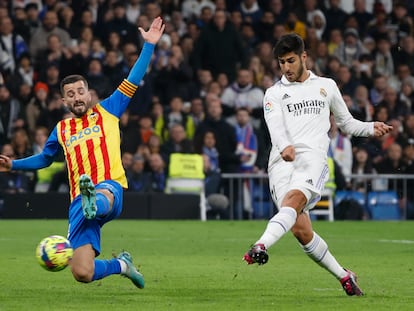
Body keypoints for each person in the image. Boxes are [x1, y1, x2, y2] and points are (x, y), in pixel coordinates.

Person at [0, 16, 165, 289]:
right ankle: (122, 264)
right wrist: (13, 165)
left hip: (108, 187)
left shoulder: (109, 110)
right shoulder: (61, 129)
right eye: (70, 94)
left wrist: (148, 45)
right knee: (82, 272)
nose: (77, 97)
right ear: (63, 100)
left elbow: (133, 77)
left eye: (80, 91)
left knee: (102, 196)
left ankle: (93, 202)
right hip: (78, 202)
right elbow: (45, 158)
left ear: (89, 94)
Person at [242, 33, 393, 296]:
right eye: (281, 63)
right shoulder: (274, 93)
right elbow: (274, 125)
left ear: (303, 57)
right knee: (300, 230)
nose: (286, 68)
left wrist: (370, 127)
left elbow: (346, 123)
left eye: (290, 61)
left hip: (311, 159)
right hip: (280, 161)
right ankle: (345, 276)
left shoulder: (326, 85)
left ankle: (260, 246)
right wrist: (284, 146)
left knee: (293, 200)